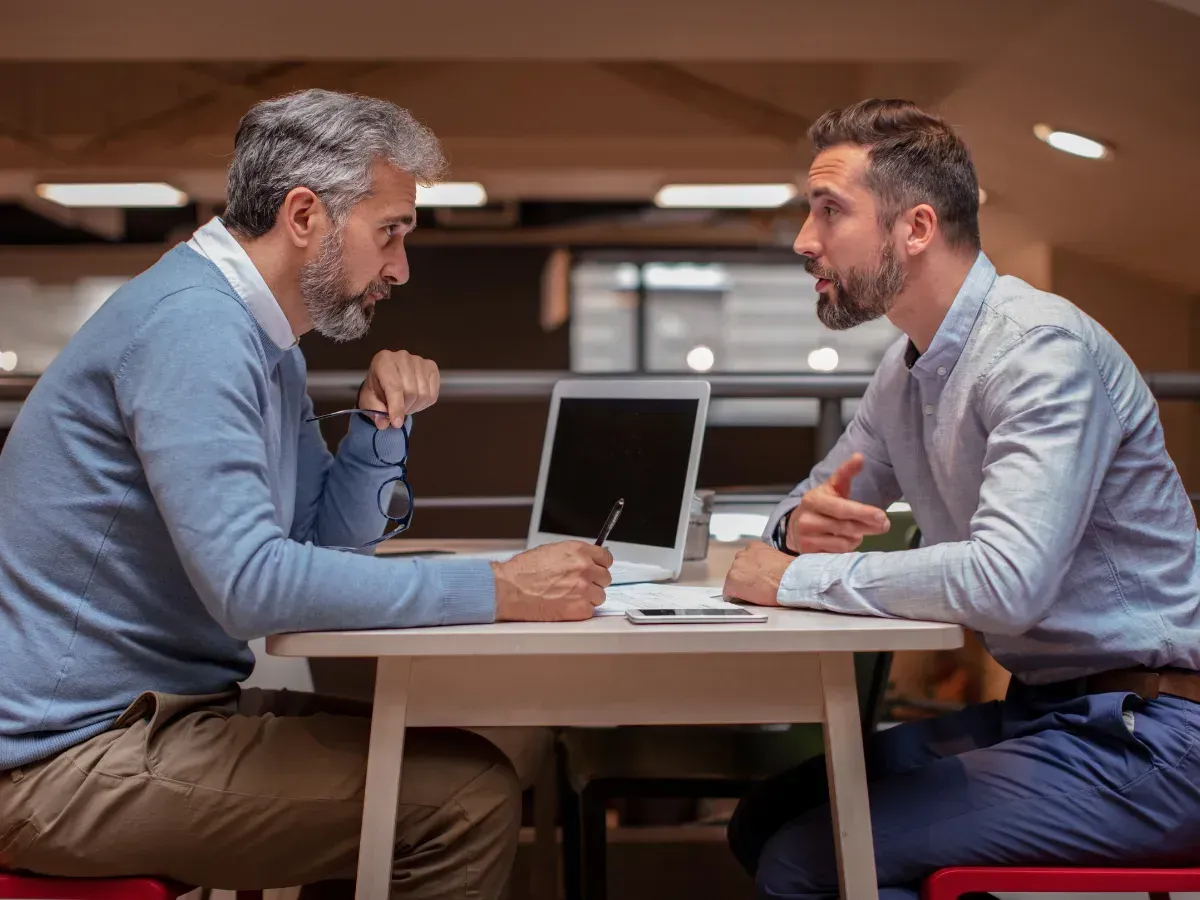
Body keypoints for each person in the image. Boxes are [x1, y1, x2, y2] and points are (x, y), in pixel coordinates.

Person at [0, 89, 613, 898]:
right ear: (303, 216)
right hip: (61, 761)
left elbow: (323, 542)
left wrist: (379, 427)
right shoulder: (196, 329)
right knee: (464, 799)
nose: (400, 267)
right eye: (389, 231)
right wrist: (499, 587)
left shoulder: (264, 340)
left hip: (158, 714)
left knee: (460, 760)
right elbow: (252, 586)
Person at [722, 98, 1200, 899]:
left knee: (808, 861)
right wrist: (795, 527)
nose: (805, 240)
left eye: (829, 210)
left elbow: (1007, 584)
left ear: (915, 228)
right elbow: (805, 502)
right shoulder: (907, 367)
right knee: (767, 818)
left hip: (1155, 740)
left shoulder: (1038, 353)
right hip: (1052, 714)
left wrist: (795, 576)